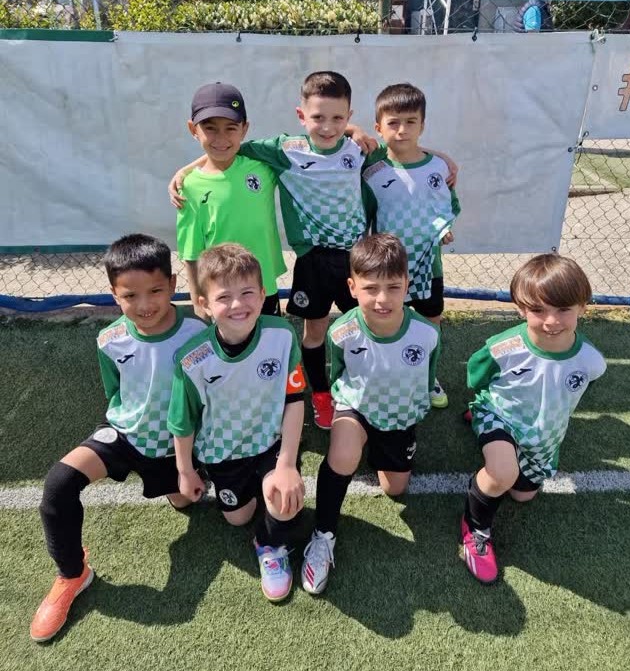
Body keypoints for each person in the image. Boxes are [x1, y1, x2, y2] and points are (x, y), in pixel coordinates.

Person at [168, 72, 457, 430]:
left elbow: (403, 150)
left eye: (338, 118)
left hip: (354, 259)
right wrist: (186, 169)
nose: (328, 126)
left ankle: (371, 384)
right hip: (313, 262)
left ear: (349, 116)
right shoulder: (285, 151)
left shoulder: (359, 149)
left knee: (370, 324)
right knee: (315, 331)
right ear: (301, 116)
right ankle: (320, 394)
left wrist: (441, 158)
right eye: (318, 117)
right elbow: (229, 148)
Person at [30, 234, 207, 643]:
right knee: (58, 485)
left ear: (174, 284)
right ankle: (72, 574)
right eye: (130, 295)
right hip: (125, 435)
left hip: (175, 445)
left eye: (155, 291)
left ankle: (192, 477)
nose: (144, 305)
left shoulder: (197, 332)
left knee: (186, 503)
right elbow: (115, 393)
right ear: (113, 294)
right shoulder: (109, 339)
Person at [300, 234, 440, 595]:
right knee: (344, 453)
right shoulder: (342, 331)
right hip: (357, 407)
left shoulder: (426, 334)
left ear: (407, 284)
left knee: (395, 489)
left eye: (393, 287)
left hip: (399, 414)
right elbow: (338, 376)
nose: (382, 299)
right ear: (352, 287)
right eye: (371, 288)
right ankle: (323, 534)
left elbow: (427, 378)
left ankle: (383, 448)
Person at [167, 243, 306, 602]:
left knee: (286, 502)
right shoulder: (192, 359)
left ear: (262, 294)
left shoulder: (282, 335)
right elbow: (182, 421)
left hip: (270, 444)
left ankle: (269, 545)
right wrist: (185, 470)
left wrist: (287, 463)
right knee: (238, 518)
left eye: (247, 293)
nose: (237, 305)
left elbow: (294, 400)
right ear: (204, 304)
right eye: (224, 297)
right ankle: (243, 492)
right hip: (223, 454)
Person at [461, 254, 606, 584]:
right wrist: (488, 406)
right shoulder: (503, 348)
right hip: (498, 415)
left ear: (583, 307)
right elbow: (477, 378)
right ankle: (475, 527)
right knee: (502, 474)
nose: (551, 321)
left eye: (563, 309)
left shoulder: (592, 361)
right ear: (520, 308)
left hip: (543, 433)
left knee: (522, 494)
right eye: (538, 310)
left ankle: (514, 454)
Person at [362, 82, 460, 408]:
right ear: (379, 127)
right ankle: (390, 373)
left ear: (422, 125)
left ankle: (428, 378)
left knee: (431, 321)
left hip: (428, 265)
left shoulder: (438, 168)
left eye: (410, 122)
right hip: (389, 269)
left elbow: (446, 207)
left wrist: (444, 229)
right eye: (393, 123)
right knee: (388, 320)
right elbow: (365, 215)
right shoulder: (371, 170)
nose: (402, 130)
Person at [176, 82, 286, 321]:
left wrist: (353, 130)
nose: (221, 138)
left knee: (270, 341)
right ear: (193, 129)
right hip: (221, 295)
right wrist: (197, 302)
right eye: (210, 128)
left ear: (244, 129)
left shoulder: (263, 167)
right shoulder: (189, 186)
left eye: (231, 128)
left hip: (263, 287)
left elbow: (312, 141)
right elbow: (191, 254)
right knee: (229, 345)